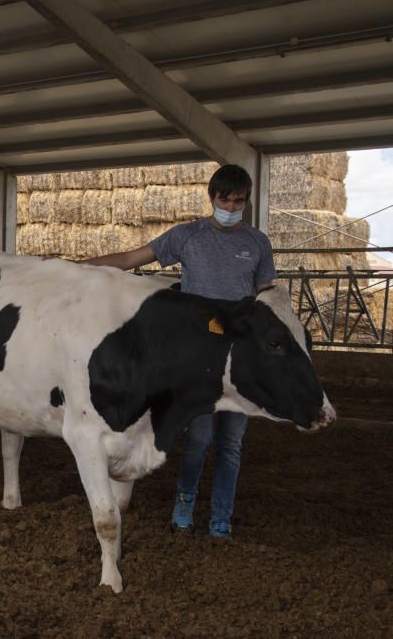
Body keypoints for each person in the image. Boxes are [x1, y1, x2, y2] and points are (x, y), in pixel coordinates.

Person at [51, 164, 276, 538]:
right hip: (197, 359)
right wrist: (71, 268)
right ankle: (183, 508)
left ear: (247, 202)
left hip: (239, 360)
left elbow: (267, 297)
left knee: (231, 443)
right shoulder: (188, 236)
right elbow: (128, 259)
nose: (232, 207)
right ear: (212, 197)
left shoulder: (256, 243)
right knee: (199, 438)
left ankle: (221, 518)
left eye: (239, 201)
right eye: (226, 199)